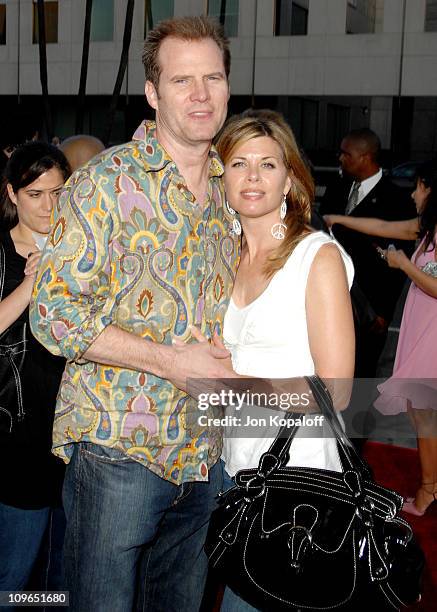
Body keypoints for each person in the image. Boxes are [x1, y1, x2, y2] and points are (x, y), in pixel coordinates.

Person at [29, 16, 239, 612]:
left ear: (228, 87)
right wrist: (171, 360)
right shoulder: (105, 182)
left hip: (204, 451)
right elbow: (54, 313)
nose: (200, 94)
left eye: (213, 77)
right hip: (120, 448)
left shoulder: (232, 193)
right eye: (182, 80)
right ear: (153, 93)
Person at [198, 110, 355, 611]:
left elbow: (337, 391)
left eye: (268, 164)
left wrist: (226, 386)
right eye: (239, 163)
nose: (252, 177)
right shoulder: (222, 255)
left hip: (298, 482)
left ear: (290, 177)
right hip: (232, 471)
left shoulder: (316, 256)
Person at [325, 159, 437, 516]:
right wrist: (340, 220)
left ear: (430, 188)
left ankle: (428, 492)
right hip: (421, 331)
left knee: (423, 413)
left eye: (418, 187)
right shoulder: (427, 229)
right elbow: (382, 226)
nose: (414, 195)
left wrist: (404, 265)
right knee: (421, 411)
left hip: (432, 335)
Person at [0, 142, 70, 595]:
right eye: (35, 194)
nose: (49, 205)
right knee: (16, 573)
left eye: (58, 193)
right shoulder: (2, 251)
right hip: (16, 441)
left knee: (62, 577)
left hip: (74, 438)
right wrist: (31, 283)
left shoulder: (78, 249)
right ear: (12, 194)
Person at [319, 128, 416, 377]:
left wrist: (384, 311)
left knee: (362, 374)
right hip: (329, 298)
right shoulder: (337, 188)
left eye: (345, 154)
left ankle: (360, 417)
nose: (340, 159)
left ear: (365, 157)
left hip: (369, 311)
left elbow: (398, 264)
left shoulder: (397, 198)